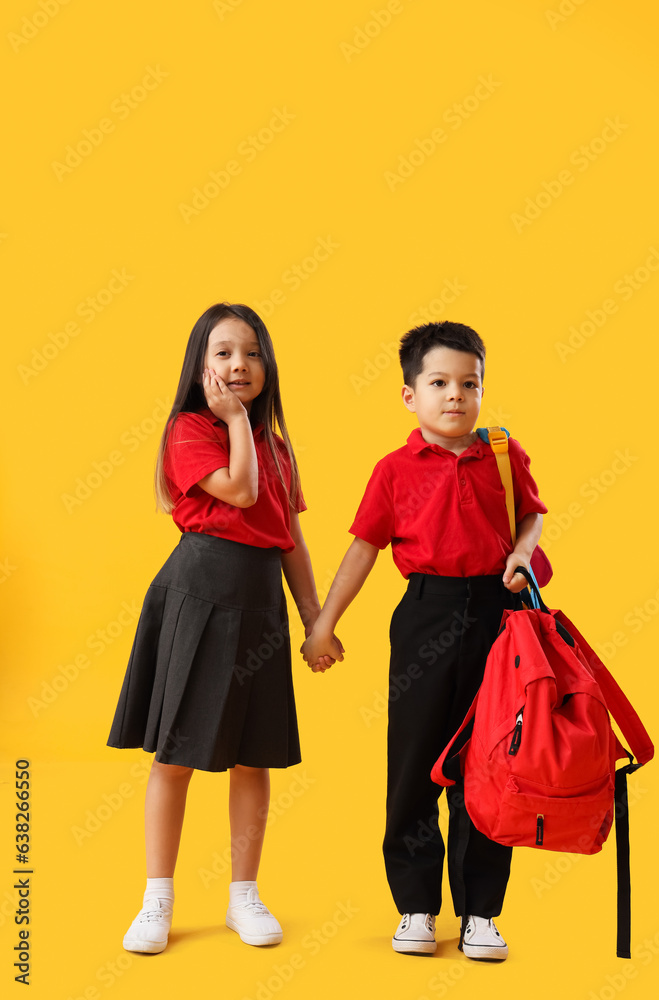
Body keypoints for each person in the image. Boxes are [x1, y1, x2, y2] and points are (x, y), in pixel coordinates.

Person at [301, 321, 547, 960]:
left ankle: (481, 913)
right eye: (439, 382)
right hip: (425, 616)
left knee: (491, 766)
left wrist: (522, 552)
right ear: (410, 395)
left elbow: (534, 513)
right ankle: (415, 905)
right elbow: (363, 548)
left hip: (500, 617)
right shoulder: (394, 469)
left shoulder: (503, 453)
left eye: (470, 383)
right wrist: (326, 623)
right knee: (414, 764)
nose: (456, 395)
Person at [107, 302, 341, 954]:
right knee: (177, 753)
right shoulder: (190, 430)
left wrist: (313, 619)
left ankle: (243, 895)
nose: (238, 364)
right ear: (200, 365)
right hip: (201, 592)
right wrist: (236, 420)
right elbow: (238, 493)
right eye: (222, 353)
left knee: (252, 753)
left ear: (266, 366)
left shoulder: (277, 447)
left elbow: (289, 537)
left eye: (251, 353)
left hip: (260, 601)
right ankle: (157, 898)